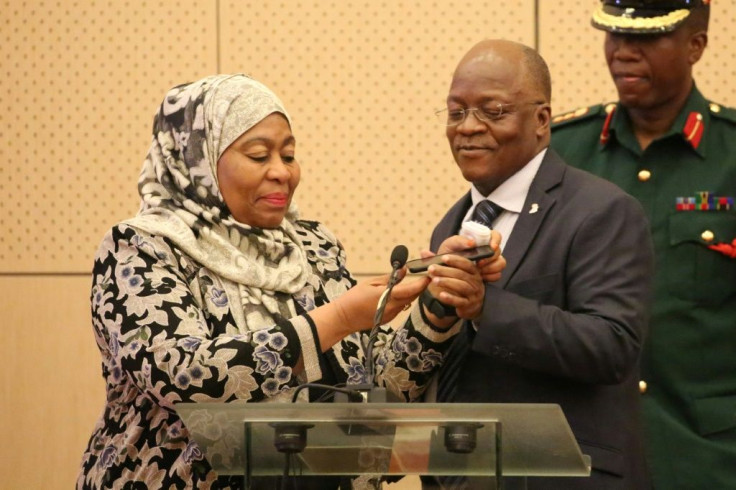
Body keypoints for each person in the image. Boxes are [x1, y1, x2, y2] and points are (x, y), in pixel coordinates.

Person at [76, 74, 503, 489]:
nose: (282, 172)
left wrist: (436, 303)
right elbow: (186, 376)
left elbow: (379, 392)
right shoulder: (141, 248)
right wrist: (335, 318)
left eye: (289, 155)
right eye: (260, 156)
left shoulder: (314, 246)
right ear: (198, 162)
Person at [420, 39, 655, 490]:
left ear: (542, 120)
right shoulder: (451, 226)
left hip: (566, 476)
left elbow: (612, 346)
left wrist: (487, 309)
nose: (468, 127)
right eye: (456, 112)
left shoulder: (600, 211)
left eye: (493, 111)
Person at [550, 1, 736, 488]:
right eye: (615, 36)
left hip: (709, 455)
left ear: (696, 45)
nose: (623, 54)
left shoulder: (732, 155)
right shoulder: (564, 153)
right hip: (588, 455)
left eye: (646, 39)